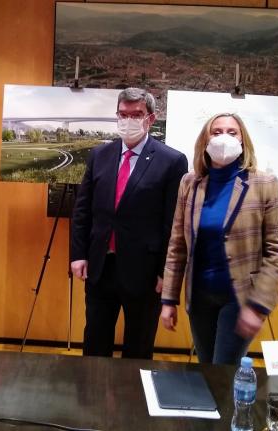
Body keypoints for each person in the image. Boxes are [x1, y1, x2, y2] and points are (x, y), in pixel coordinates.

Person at [160, 113, 278, 365]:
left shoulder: (264, 183)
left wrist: (259, 305)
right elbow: (177, 245)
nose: (224, 137)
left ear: (243, 140)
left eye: (232, 132)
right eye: (216, 132)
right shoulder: (190, 182)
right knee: (207, 368)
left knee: (223, 371)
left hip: (240, 298)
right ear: (205, 141)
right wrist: (168, 299)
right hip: (199, 296)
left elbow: (277, 250)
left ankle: (229, 406)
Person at [70, 87, 188, 359]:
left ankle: (133, 399)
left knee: (138, 346)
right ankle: (91, 398)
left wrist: (165, 273)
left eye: (137, 115)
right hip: (101, 267)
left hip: (145, 273)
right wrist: (78, 254)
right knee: (95, 343)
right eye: (123, 114)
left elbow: (172, 224)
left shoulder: (172, 161)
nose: (129, 120)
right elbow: (83, 210)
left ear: (151, 118)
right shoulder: (100, 155)